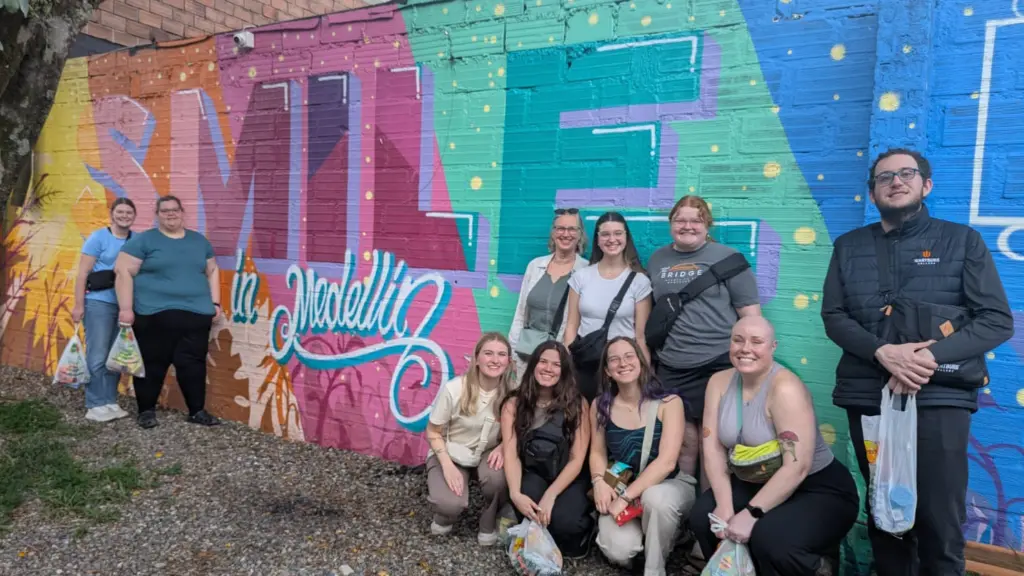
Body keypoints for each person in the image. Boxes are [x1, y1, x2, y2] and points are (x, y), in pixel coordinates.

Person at [821, 148, 1014, 576]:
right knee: (885, 510)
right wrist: (883, 352)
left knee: (939, 516)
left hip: (940, 397)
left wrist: (926, 357)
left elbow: (996, 320)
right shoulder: (849, 247)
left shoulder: (962, 241)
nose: (895, 181)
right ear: (873, 193)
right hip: (868, 396)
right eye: (884, 177)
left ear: (925, 184)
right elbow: (833, 317)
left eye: (906, 173)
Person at [689, 316, 859, 575]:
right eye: (738, 340)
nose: (746, 348)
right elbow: (712, 448)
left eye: (757, 341)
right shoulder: (719, 382)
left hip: (815, 487)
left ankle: (817, 567)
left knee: (770, 539)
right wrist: (724, 505)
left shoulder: (785, 388)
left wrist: (751, 513)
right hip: (754, 481)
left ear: (773, 347)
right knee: (705, 516)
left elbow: (798, 466)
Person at [646, 195, 761, 485]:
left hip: (718, 363)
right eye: (680, 220)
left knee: (715, 439)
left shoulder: (728, 258)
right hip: (672, 362)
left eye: (695, 220)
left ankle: (710, 508)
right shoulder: (658, 259)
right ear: (671, 223)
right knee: (684, 441)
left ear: (707, 224)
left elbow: (751, 316)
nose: (687, 226)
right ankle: (684, 502)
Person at [114, 195, 223, 429]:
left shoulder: (199, 241)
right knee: (153, 364)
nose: (170, 214)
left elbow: (212, 270)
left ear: (182, 212)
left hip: (195, 316)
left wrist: (215, 304)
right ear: (157, 214)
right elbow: (123, 272)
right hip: (152, 316)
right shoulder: (144, 241)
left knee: (193, 365)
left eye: (174, 210)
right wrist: (125, 308)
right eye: (164, 211)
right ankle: (146, 411)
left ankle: (197, 411)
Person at [590, 337, 695, 576]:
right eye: (614, 359)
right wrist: (598, 482)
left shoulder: (669, 403)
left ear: (641, 362)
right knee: (618, 550)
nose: (623, 363)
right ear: (607, 371)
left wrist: (625, 498)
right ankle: (662, 535)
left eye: (629, 356)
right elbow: (597, 451)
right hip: (622, 485)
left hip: (669, 486)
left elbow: (667, 462)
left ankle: (654, 568)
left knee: (655, 499)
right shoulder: (600, 406)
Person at [501, 340, 594, 558]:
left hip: (569, 476)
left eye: (556, 364)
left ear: (564, 371)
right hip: (535, 472)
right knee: (532, 510)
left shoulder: (577, 405)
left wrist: (551, 495)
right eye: (543, 361)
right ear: (533, 365)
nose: (548, 369)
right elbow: (511, 454)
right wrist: (515, 494)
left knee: (565, 524)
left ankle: (583, 532)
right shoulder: (514, 404)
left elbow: (577, 459)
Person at [423, 332, 515, 546]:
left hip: (486, 454)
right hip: (451, 453)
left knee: (498, 479)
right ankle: (446, 515)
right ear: (476, 358)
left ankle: (488, 521)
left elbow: (519, 429)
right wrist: (447, 466)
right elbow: (433, 432)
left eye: (501, 355)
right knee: (450, 504)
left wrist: (503, 445)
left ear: (509, 361)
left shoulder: (513, 393)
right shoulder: (455, 389)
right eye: (488, 353)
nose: (495, 360)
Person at [564, 212, 652, 402]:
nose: (612, 239)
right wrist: (569, 366)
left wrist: (644, 376)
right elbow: (571, 325)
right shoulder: (581, 277)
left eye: (618, 233)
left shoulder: (639, 281)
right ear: (597, 239)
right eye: (605, 234)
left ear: (626, 237)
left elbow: (640, 336)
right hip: (585, 365)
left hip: (622, 366)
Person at [71, 197, 138, 422]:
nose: (124, 216)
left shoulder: (136, 240)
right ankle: (95, 402)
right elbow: (82, 273)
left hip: (123, 304)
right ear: (112, 214)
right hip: (99, 302)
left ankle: (109, 400)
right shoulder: (99, 237)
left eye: (129, 213)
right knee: (98, 353)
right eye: (120, 212)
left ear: (134, 216)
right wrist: (79, 305)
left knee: (115, 354)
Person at [508, 208, 589, 378]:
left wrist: (569, 362)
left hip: (561, 361)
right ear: (553, 233)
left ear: (580, 234)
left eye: (572, 229)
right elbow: (521, 314)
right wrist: (513, 353)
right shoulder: (535, 266)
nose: (566, 234)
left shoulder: (586, 271)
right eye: (560, 228)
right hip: (527, 356)